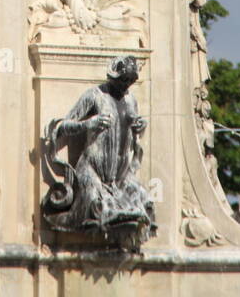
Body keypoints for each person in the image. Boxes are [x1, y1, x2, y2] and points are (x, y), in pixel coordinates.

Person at [43, 55, 156, 239]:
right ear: (113, 76)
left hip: (121, 176)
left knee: (145, 201)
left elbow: (131, 136)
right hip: (91, 170)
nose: (126, 84)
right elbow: (61, 127)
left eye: (130, 80)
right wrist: (88, 124)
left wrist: (139, 128)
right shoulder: (94, 96)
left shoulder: (131, 100)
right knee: (97, 204)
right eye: (123, 79)